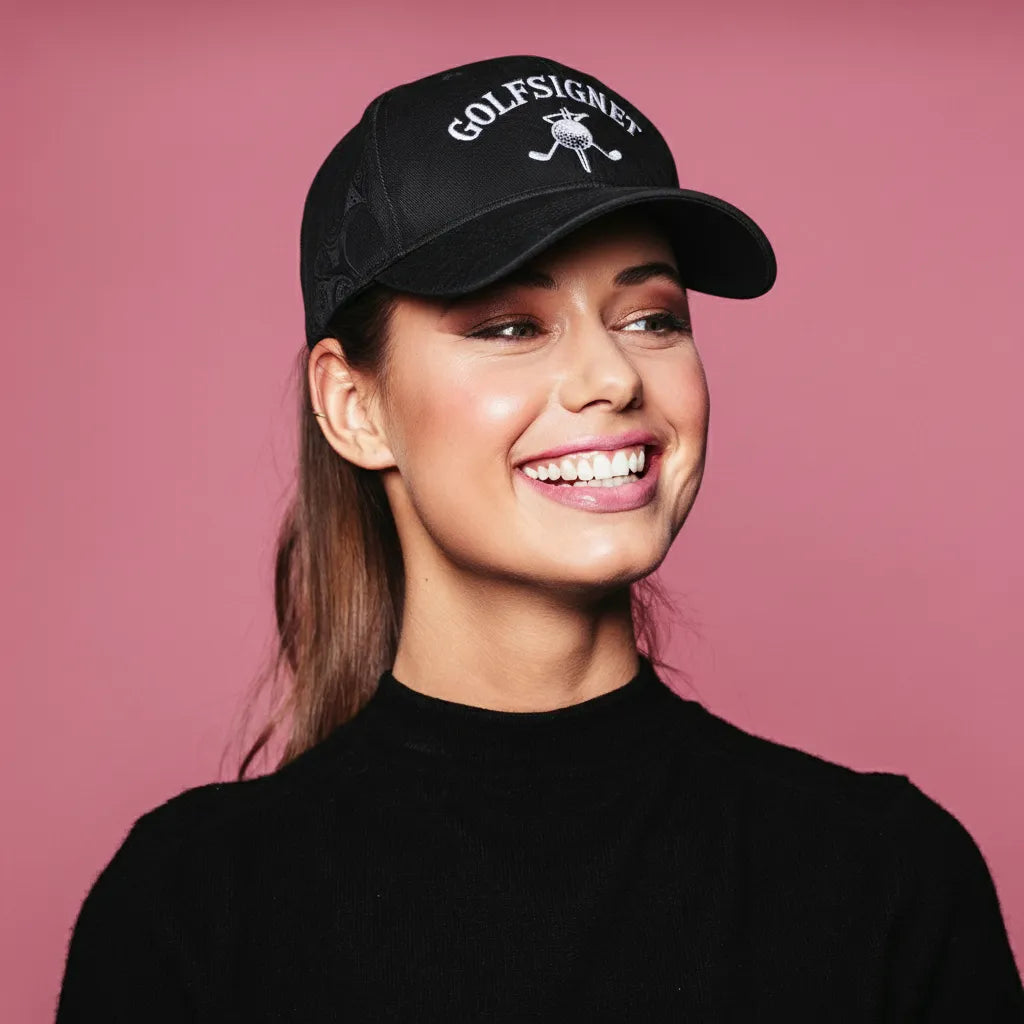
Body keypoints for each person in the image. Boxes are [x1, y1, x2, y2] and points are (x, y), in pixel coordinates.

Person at [55, 54, 1023, 1022]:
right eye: (511, 327)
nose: (610, 376)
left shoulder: (884, 877)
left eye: (650, 316)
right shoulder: (188, 911)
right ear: (353, 408)